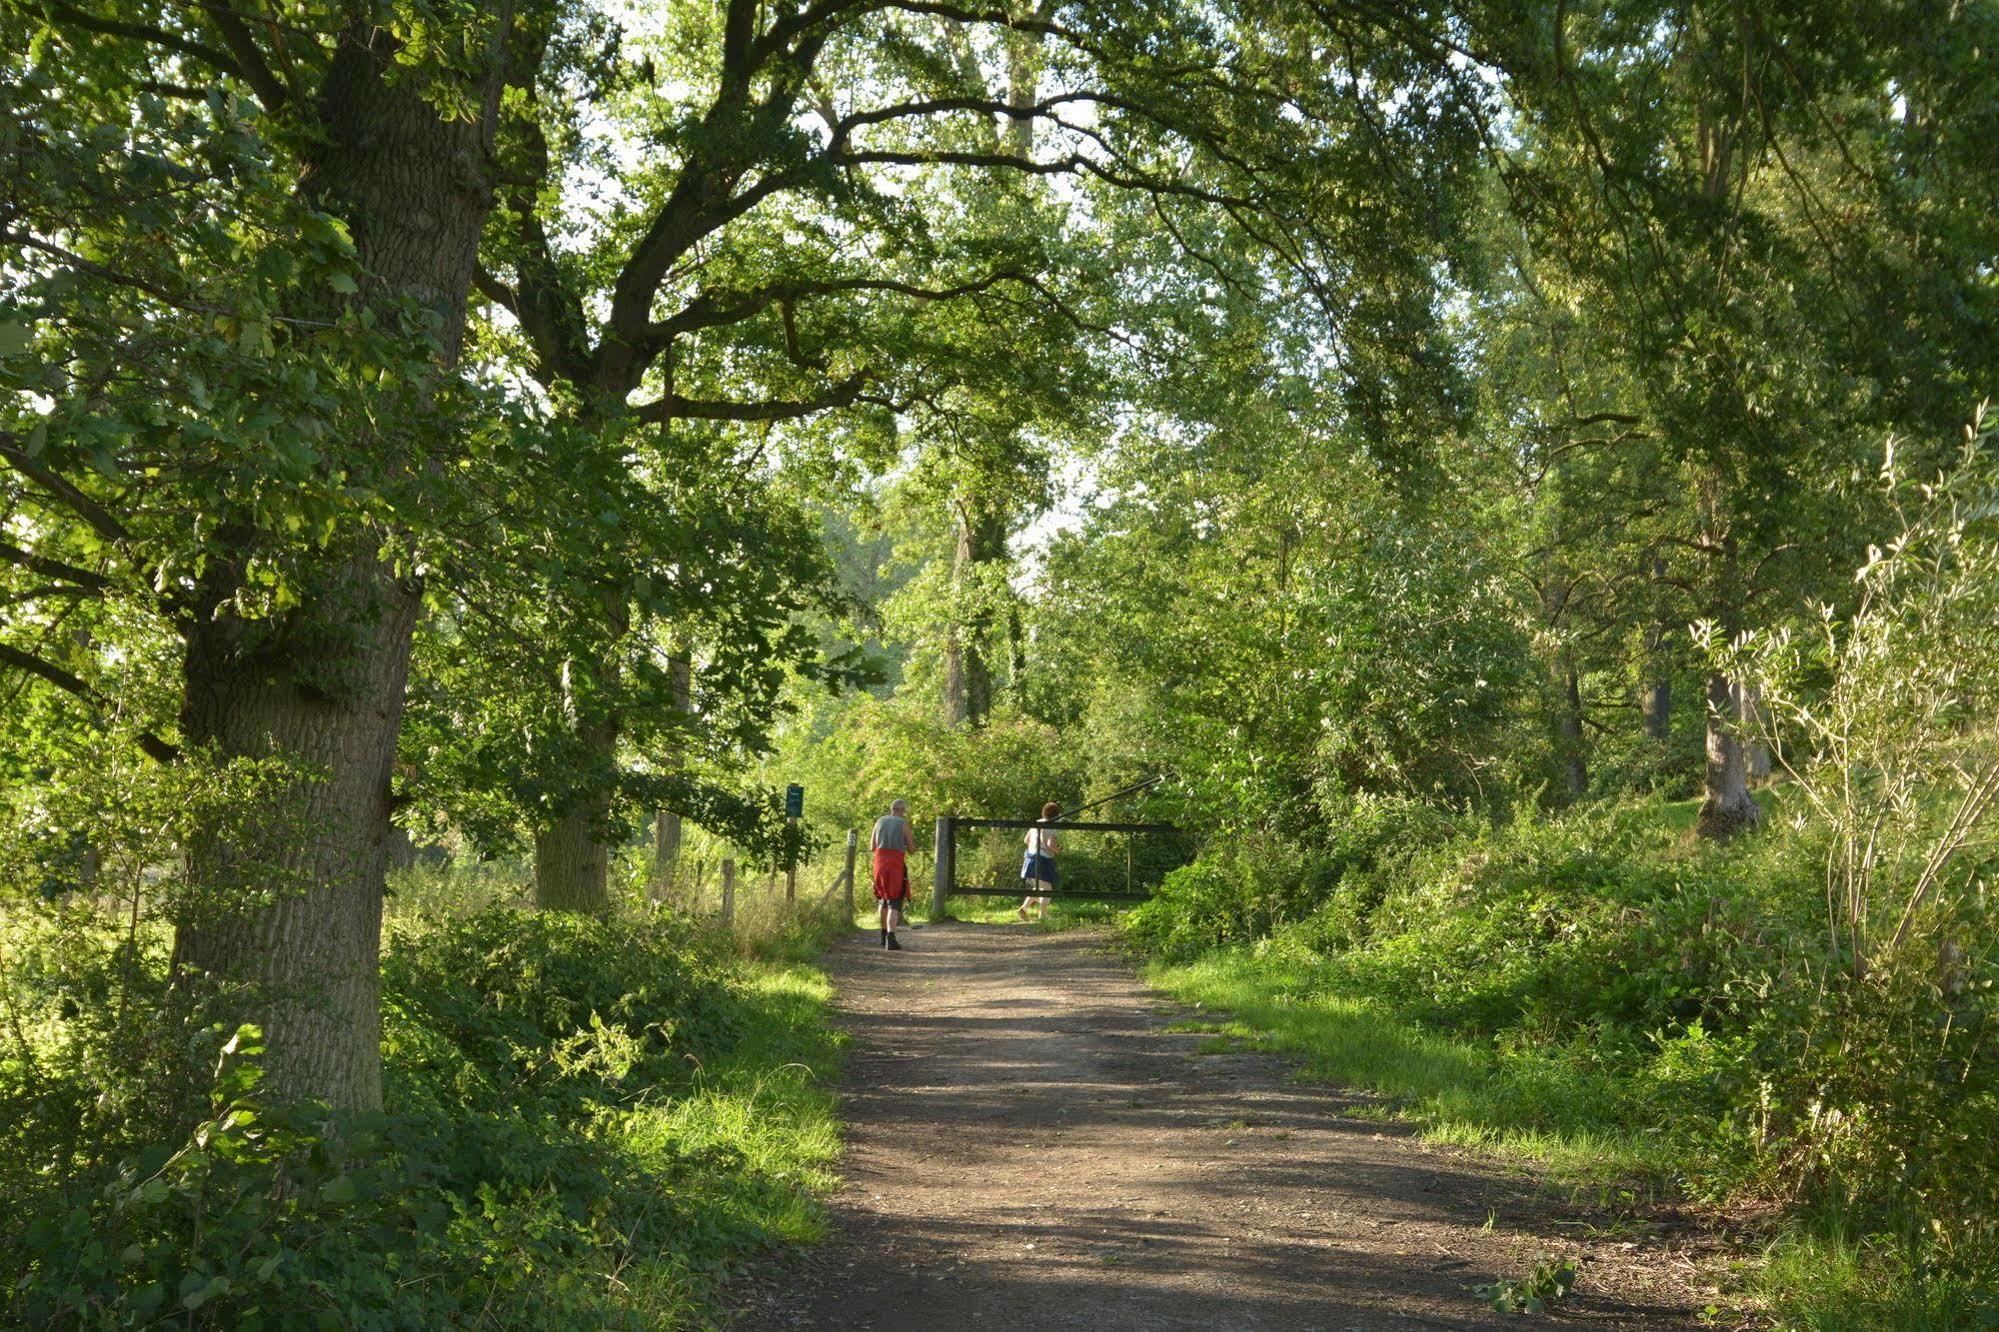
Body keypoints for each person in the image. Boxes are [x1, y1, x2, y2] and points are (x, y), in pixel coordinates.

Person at [871, 799, 914, 950]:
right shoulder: (903, 824)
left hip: (879, 864)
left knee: (883, 899)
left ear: (891, 809)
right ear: (901, 810)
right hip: (895, 865)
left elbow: (872, 846)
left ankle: (883, 935)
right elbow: (911, 848)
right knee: (894, 902)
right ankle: (891, 938)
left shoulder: (879, 822)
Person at [1018, 800, 1061, 921]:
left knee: (1039, 888)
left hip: (1030, 859)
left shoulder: (1036, 823)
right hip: (1043, 860)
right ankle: (1042, 915)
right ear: (1056, 815)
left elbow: (1026, 840)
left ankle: (1024, 908)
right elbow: (1050, 844)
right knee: (1047, 890)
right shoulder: (1052, 826)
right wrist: (1057, 850)